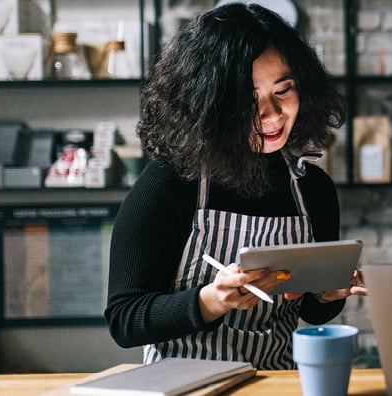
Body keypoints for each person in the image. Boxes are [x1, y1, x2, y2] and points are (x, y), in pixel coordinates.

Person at [104, 3, 364, 370]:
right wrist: (211, 300)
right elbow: (124, 319)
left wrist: (327, 293)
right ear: (209, 103)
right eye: (248, 99)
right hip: (184, 385)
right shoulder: (169, 182)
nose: (272, 114)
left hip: (277, 385)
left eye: (284, 90)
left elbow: (312, 313)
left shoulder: (313, 189)